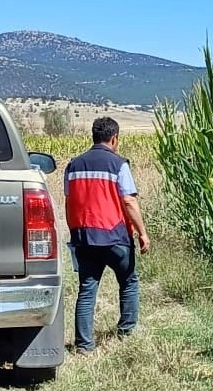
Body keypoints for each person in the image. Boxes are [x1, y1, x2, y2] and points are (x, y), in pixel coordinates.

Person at [63, 116, 151, 353]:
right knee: (129, 281)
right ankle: (127, 332)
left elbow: (69, 203)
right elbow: (129, 201)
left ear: (94, 137)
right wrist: (143, 233)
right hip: (115, 237)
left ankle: (84, 345)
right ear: (114, 139)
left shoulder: (73, 165)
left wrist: (75, 231)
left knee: (87, 288)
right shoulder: (119, 164)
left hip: (84, 238)